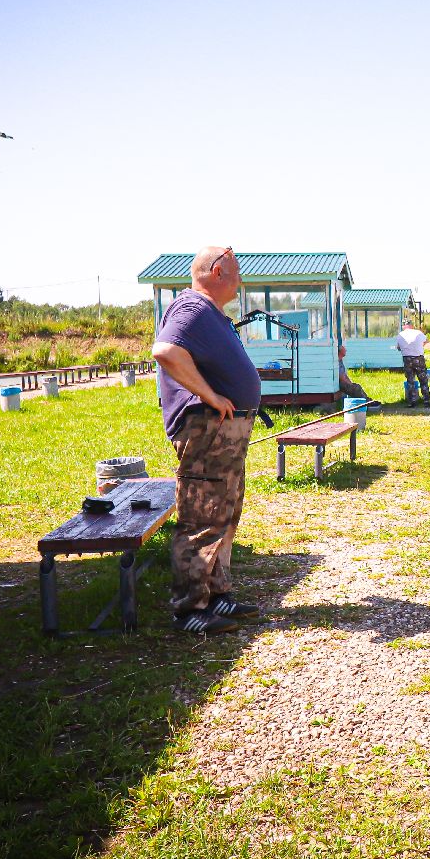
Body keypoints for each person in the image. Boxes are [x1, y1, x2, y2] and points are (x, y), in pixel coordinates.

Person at [151, 246, 265, 635]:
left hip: (224, 432)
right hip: (207, 429)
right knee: (202, 518)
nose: (240, 280)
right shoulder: (192, 308)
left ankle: (217, 596)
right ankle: (190, 609)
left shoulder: (209, 313)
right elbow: (165, 351)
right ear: (217, 272)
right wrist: (210, 395)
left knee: (225, 514)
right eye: (235, 272)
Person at [394, 319, 430, 404]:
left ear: (403, 326)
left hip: (407, 359)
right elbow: (426, 341)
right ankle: (426, 401)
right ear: (412, 325)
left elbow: (399, 348)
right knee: (423, 380)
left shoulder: (400, 335)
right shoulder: (418, 333)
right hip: (418, 358)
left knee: (410, 381)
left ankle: (412, 401)